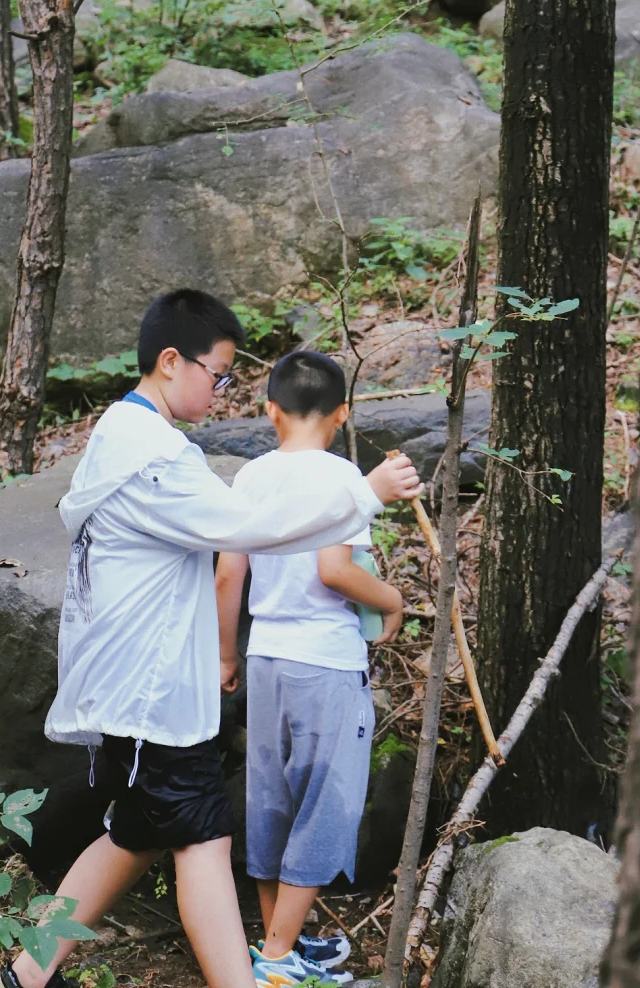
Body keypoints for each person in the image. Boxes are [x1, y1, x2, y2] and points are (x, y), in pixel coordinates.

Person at [0, 290, 422, 988]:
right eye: (217, 373)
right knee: (203, 836)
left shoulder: (132, 437)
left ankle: (25, 976)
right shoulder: (150, 456)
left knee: (134, 833)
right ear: (171, 361)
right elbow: (242, 528)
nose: (222, 391)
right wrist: (364, 493)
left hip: (140, 689)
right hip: (150, 694)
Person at [216, 350, 405, 988]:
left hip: (266, 656)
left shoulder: (250, 478)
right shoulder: (343, 478)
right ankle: (273, 962)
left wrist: (225, 654)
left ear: (270, 410)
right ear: (342, 412)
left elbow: (228, 573)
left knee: (270, 801)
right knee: (327, 806)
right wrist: (393, 601)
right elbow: (336, 570)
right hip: (324, 661)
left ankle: (282, 949)